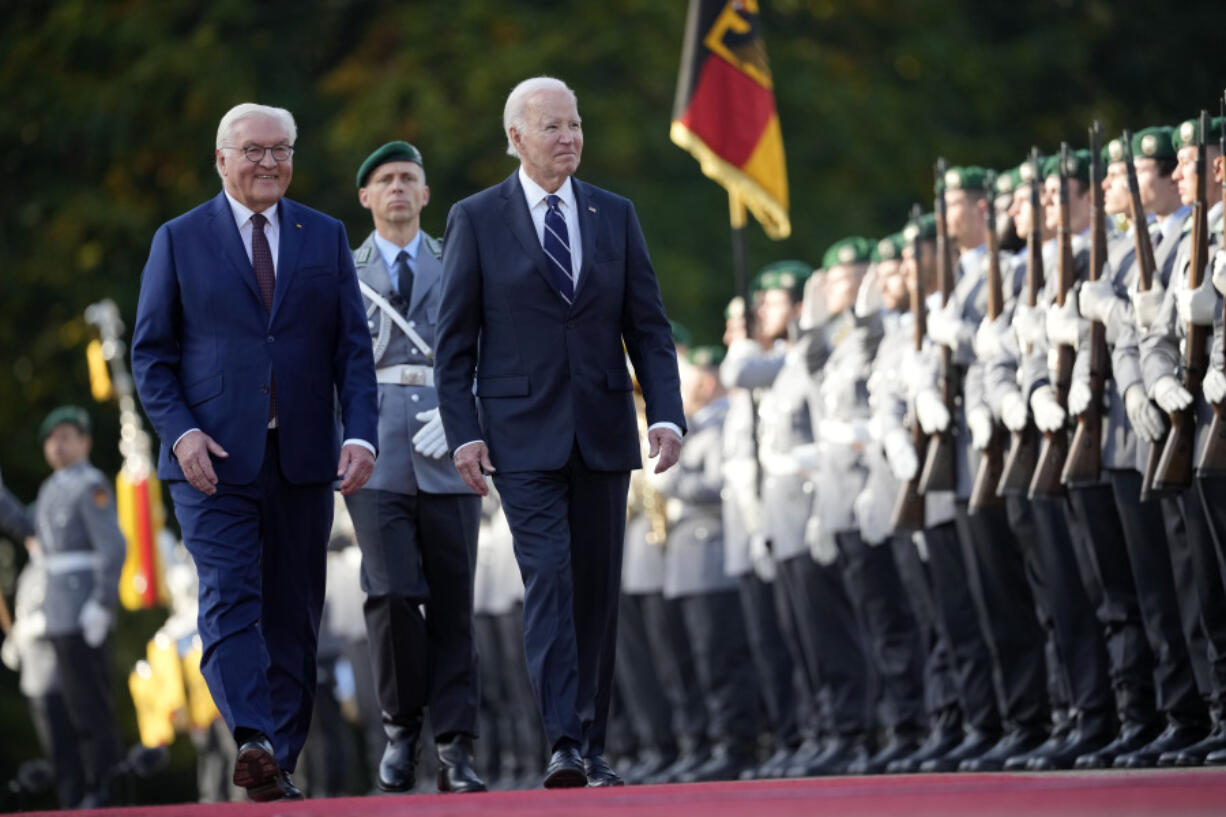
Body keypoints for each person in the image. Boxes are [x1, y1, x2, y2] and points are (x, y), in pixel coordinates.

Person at [434, 75, 685, 789]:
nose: (570, 137)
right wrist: (464, 432)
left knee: (597, 591)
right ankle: (564, 743)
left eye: (575, 124)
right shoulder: (476, 218)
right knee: (549, 576)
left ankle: (594, 745)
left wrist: (664, 412)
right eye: (553, 127)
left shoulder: (616, 213)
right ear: (516, 136)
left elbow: (649, 327)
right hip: (519, 437)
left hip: (604, 430)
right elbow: (454, 344)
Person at [131, 102, 378, 802]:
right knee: (230, 597)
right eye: (253, 150)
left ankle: (278, 759)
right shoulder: (179, 239)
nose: (269, 162)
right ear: (221, 158)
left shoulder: (323, 236)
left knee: (295, 613)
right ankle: (252, 735)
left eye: (281, 149)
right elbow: (151, 356)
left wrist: (360, 432)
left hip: (303, 456)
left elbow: (352, 352)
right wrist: (180, 432)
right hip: (210, 460)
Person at [344, 140, 486, 793]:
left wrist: (466, 416)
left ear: (426, 194)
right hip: (374, 446)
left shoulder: (458, 257)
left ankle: (456, 746)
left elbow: (494, 348)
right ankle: (403, 727)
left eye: (409, 178)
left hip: (449, 442)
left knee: (455, 596)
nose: (398, 188)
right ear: (366, 197)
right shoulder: (344, 270)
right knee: (392, 589)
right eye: (385, 180)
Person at [28, 407, 126, 807]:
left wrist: (102, 601)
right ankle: (91, 786)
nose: (57, 445)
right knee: (71, 706)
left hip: (83, 605)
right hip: (58, 608)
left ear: (84, 442)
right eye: (52, 439)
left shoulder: (90, 485)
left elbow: (114, 546)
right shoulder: (51, 488)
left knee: (92, 706)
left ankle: (109, 786)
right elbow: (32, 533)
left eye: (66, 436)